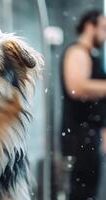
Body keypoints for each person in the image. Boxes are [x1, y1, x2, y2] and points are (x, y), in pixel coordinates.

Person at [60, 10, 106, 200]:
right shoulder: (77, 52)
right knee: (81, 193)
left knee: (89, 192)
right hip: (79, 136)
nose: (105, 34)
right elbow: (76, 87)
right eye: (103, 28)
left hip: (89, 136)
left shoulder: (91, 55)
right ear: (90, 26)